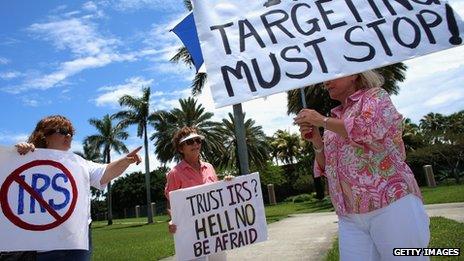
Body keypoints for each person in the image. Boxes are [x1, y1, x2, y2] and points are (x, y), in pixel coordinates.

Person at [294, 71, 430, 260]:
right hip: (349, 215)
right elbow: (329, 168)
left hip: (391, 203)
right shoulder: (337, 116)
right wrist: (317, 142)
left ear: (354, 74)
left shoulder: (376, 97)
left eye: (333, 74)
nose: (326, 82)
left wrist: (321, 120)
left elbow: (367, 130)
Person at [11, 115, 141, 261]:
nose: (68, 135)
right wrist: (17, 156)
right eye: (62, 130)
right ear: (43, 136)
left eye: (71, 132)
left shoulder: (79, 164)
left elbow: (105, 172)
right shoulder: (23, 160)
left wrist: (125, 161)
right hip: (40, 250)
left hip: (75, 246)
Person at [164, 126, 231, 261]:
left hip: (215, 228)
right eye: (189, 142)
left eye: (197, 140)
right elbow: (171, 202)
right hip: (191, 232)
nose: (195, 144)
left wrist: (227, 183)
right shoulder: (174, 173)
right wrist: (172, 220)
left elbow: (217, 194)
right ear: (181, 148)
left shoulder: (210, 167)